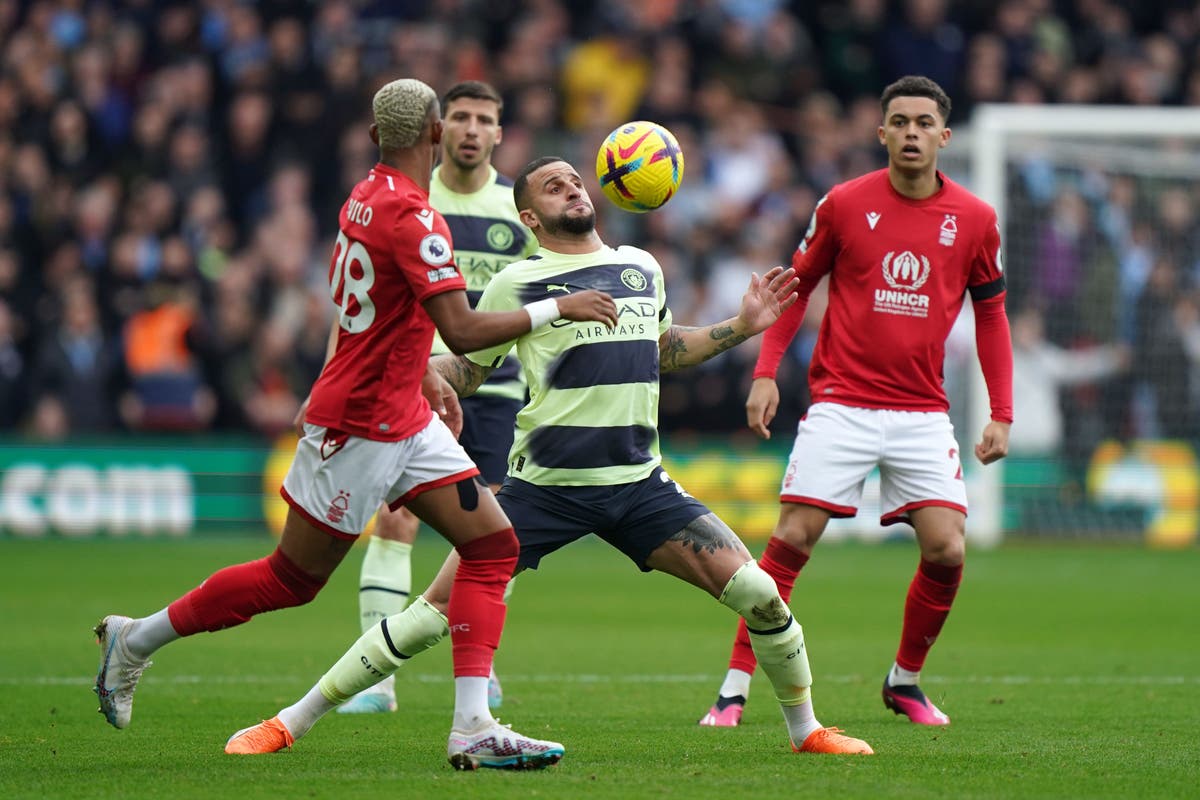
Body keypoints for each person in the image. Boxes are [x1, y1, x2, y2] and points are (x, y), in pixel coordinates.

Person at [222, 156, 874, 762]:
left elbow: (667, 347)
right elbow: (469, 370)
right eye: (552, 185)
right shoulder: (518, 281)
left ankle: (806, 730)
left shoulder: (641, 267)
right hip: (544, 491)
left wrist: (741, 326)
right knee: (428, 617)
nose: (571, 187)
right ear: (529, 218)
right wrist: (407, 372)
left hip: (639, 487)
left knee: (761, 596)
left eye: (573, 179)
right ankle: (290, 722)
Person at [92, 79, 619, 771]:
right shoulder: (416, 217)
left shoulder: (364, 195)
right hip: (361, 425)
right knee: (291, 580)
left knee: (493, 547)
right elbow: (459, 329)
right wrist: (560, 307)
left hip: (403, 408)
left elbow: (376, 313)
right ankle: (136, 640)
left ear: (375, 138)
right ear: (434, 133)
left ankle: (473, 726)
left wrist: (422, 375)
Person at [698, 75, 1013, 729]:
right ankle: (732, 688)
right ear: (881, 133)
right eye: (899, 122)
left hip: (923, 412)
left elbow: (992, 317)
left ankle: (905, 682)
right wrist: (765, 371)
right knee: (791, 538)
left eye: (924, 123)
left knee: (948, 548)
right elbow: (794, 286)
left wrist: (1001, 411)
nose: (911, 133)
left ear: (944, 137)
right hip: (842, 402)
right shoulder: (843, 204)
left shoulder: (977, 221)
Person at [337, 80, 537, 715]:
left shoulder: (520, 208)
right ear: (437, 128)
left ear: (500, 134)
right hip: (416, 385)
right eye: (460, 118)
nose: (472, 129)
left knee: (486, 534)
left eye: (485, 119)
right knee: (394, 520)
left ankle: (483, 663)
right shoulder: (414, 200)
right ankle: (375, 680)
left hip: (500, 391)